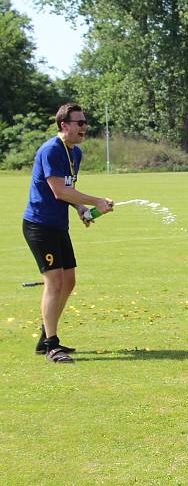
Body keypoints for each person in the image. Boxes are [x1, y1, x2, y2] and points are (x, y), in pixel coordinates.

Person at [23, 103, 114, 363]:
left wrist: (80, 208)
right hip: (39, 226)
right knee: (54, 282)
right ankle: (51, 345)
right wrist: (96, 200)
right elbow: (58, 191)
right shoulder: (51, 150)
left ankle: (45, 335)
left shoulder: (74, 153)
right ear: (64, 125)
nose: (84, 127)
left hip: (57, 225)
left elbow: (68, 191)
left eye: (85, 122)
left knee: (69, 280)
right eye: (80, 123)